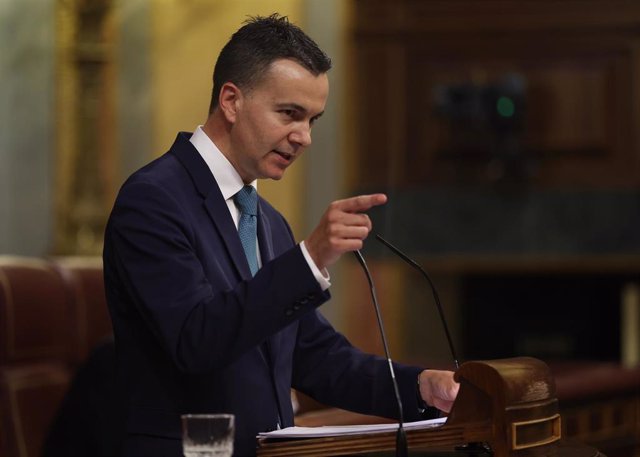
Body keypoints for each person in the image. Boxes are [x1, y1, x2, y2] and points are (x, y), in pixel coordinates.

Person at [103, 14, 459, 456]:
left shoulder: (268, 220)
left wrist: (420, 387)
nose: (304, 137)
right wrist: (309, 257)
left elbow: (313, 355)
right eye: (290, 114)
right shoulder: (153, 199)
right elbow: (195, 341)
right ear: (231, 101)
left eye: (313, 120)